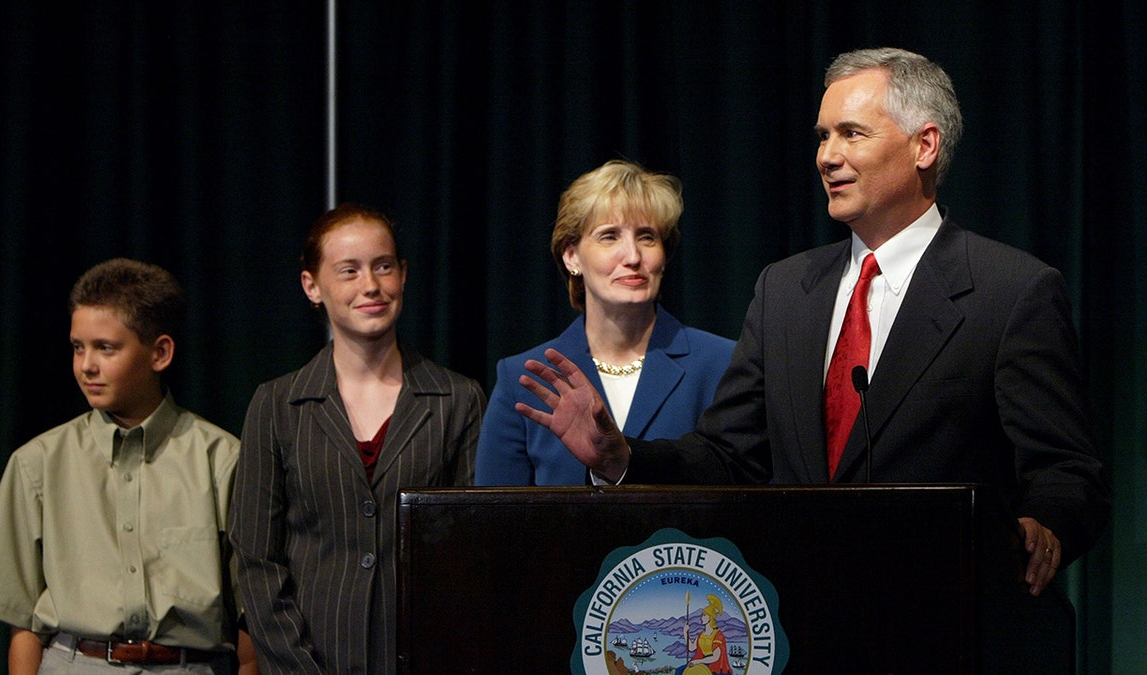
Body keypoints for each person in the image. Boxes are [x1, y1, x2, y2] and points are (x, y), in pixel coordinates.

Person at [515, 48, 1111, 598]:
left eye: (852, 133)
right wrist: (621, 458)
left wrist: (1045, 524)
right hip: (803, 618)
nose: (827, 155)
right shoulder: (786, 290)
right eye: (823, 136)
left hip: (947, 614)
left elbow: (1067, 469)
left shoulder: (1011, 291)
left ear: (924, 146)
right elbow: (728, 455)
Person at [0, 258, 253, 674]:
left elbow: (250, 622)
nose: (86, 366)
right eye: (78, 347)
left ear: (160, 353)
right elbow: (22, 622)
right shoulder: (38, 463)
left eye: (106, 348)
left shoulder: (221, 460)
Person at [229, 203, 486, 674]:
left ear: (403, 275)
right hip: (309, 659)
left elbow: (473, 556)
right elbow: (256, 559)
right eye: (349, 271)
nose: (371, 285)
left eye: (383, 266)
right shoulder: (276, 405)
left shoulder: (458, 399)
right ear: (312, 286)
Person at [476, 159, 734, 485]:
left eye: (647, 237)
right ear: (572, 256)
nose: (632, 256)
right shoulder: (522, 379)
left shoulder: (722, 364)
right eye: (609, 236)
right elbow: (494, 524)